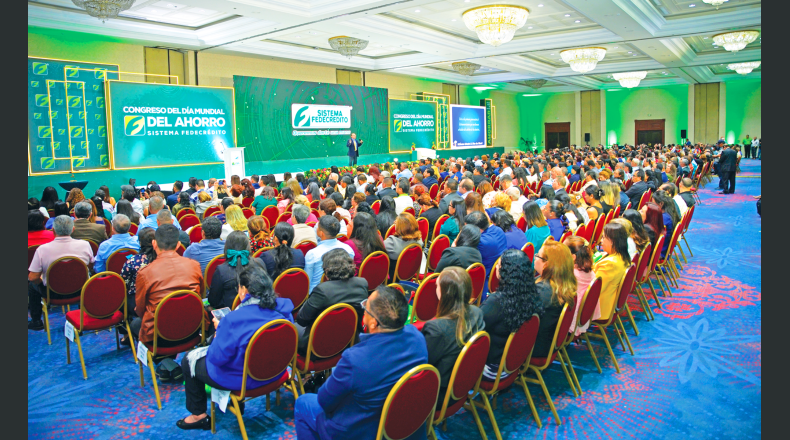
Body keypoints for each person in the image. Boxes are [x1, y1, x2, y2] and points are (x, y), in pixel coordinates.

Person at [294, 285, 427, 440]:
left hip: (362, 431)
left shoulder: (355, 359)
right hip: (403, 425)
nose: (363, 312)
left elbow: (324, 400)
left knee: (303, 403)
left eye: (366, 309)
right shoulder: (417, 338)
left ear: (373, 323)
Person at [177, 260, 294, 430]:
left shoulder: (233, 320)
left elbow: (217, 358)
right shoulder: (284, 311)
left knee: (189, 360)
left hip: (243, 379)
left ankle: (198, 415)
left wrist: (219, 334)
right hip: (276, 372)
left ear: (244, 290)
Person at [421, 266, 485, 408]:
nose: (435, 289)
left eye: (437, 286)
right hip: (464, 385)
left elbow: (421, 365)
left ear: (444, 293)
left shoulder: (437, 329)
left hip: (438, 395)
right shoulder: (477, 312)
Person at [130, 225, 204, 344]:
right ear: (178, 244)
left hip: (159, 336)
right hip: (193, 328)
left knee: (135, 324)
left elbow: (140, 310)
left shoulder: (145, 273)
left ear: (154, 244)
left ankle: (164, 360)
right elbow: (200, 296)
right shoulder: (194, 265)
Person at [481, 250, 543, 380]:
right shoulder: (532, 294)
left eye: (498, 265)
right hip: (514, 364)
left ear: (505, 272)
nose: (496, 268)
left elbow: (473, 326)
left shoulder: (497, 302)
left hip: (492, 369)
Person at [27, 216, 94, 330]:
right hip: (81, 290)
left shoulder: (42, 250)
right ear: (73, 229)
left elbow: (33, 277)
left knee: (32, 286)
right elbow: (91, 266)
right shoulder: (85, 245)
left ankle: (36, 321)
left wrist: (42, 281)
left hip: (52, 293)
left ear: (53, 230)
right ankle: (85, 314)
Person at [295, 248, 369, 351]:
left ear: (326, 270)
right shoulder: (362, 283)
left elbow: (302, 319)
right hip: (349, 339)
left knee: (290, 330)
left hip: (318, 345)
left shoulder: (323, 290)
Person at [531, 240, 577, 358]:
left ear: (546, 264)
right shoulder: (563, 283)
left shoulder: (543, 291)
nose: (535, 257)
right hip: (550, 342)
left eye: (538, 255)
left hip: (535, 348)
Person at [305, 216, 355, 292]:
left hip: (318, 294)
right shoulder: (348, 250)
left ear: (321, 233)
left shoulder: (312, 254)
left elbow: (307, 281)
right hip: (343, 291)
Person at [207, 231, 255, 310]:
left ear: (226, 247)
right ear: (248, 247)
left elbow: (213, 301)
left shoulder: (221, 270)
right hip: (255, 312)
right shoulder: (259, 263)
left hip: (231, 315)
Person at [465, 211, 507, 301]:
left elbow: (462, 253)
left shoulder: (480, 242)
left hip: (481, 280)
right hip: (498, 276)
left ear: (477, 229)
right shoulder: (498, 230)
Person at [593, 223, 631, 321]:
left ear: (613, 241)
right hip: (607, 302)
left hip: (598, 308)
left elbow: (594, 290)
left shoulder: (610, 264)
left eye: (603, 238)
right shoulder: (621, 256)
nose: (601, 241)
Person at [563, 236, 600, 337]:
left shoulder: (572, 275)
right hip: (582, 320)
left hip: (569, 325)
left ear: (573, 257)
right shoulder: (589, 271)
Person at [383, 213, 424, 280]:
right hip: (410, 274)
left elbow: (378, 249)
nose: (394, 222)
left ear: (401, 227)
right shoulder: (419, 240)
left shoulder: (392, 243)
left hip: (393, 278)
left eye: (396, 222)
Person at [650, 190, 679, 258]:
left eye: (653, 203)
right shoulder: (670, 212)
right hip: (663, 248)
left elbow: (650, 237)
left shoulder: (663, 218)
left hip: (659, 251)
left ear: (661, 204)